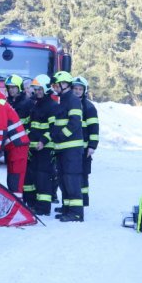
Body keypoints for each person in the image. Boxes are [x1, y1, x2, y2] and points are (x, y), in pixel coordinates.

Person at [51, 71, 85, 222]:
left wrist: (60, 135)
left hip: (71, 149)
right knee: (64, 180)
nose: (55, 87)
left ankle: (76, 213)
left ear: (65, 84)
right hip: (61, 148)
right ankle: (67, 209)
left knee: (71, 180)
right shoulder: (63, 100)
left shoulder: (73, 100)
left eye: (57, 84)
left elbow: (75, 123)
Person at [23, 75, 59, 215]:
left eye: (39, 89)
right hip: (33, 147)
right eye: (36, 89)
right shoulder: (36, 105)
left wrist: (43, 141)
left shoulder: (52, 106)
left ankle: (43, 208)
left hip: (45, 147)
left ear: (46, 89)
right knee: (33, 177)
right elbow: (31, 125)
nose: (37, 91)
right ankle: (32, 204)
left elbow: (53, 128)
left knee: (43, 177)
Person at [73, 76, 99, 208]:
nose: (77, 91)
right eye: (75, 88)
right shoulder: (68, 104)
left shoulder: (89, 107)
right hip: (71, 148)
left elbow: (94, 129)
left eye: (80, 89)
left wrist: (92, 146)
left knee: (83, 175)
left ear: (84, 91)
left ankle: (84, 201)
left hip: (84, 148)